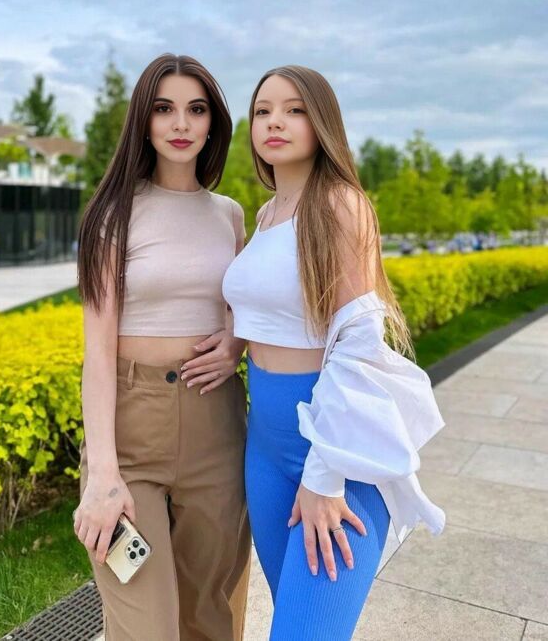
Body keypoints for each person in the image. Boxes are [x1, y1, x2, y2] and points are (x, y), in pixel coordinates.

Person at [222, 66, 445, 640]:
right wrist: (230, 343)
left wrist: (325, 476)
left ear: (322, 122)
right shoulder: (267, 215)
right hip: (265, 449)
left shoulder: (341, 205)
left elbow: (357, 342)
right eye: (263, 111)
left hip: (334, 448)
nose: (274, 121)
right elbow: (269, 310)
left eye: (294, 109)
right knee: (293, 618)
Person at [73, 53, 251, 641]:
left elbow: (242, 308)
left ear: (212, 122)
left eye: (196, 110)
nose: (181, 124)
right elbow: (98, 354)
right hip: (131, 434)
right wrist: (103, 473)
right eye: (164, 109)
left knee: (210, 618)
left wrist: (235, 344)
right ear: (143, 121)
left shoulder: (230, 216)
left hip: (216, 426)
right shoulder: (112, 216)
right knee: (144, 627)